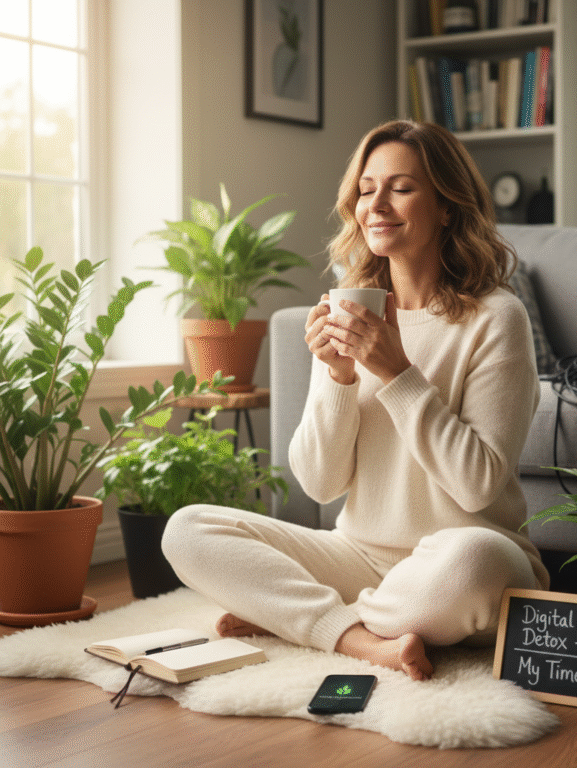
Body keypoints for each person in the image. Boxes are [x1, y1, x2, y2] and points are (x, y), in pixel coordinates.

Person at [162, 120, 549, 681]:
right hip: (358, 557)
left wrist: (395, 371)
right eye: (367, 189)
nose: (377, 205)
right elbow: (319, 484)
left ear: (447, 206)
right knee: (187, 529)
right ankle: (363, 640)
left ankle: (301, 619)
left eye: (402, 187)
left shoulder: (495, 317)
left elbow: (478, 485)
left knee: (476, 563)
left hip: (458, 563)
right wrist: (339, 378)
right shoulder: (352, 307)